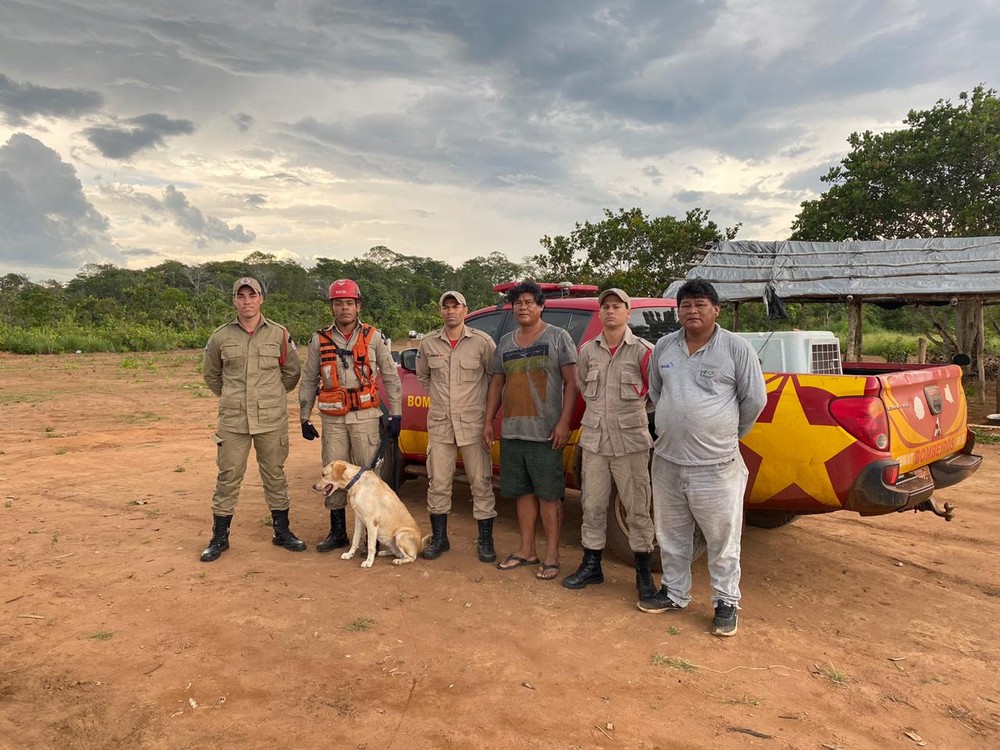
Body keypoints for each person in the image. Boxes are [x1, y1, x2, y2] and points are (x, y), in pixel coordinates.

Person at [639, 279, 766, 637]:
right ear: (677, 311)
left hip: (716, 465)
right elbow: (657, 392)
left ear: (716, 309)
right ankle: (674, 593)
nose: (692, 311)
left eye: (700, 304)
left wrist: (726, 435)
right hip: (667, 460)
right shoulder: (665, 346)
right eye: (686, 305)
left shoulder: (736, 349)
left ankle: (726, 602)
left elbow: (754, 400)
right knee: (671, 534)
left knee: (722, 538)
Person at [562, 289, 657, 603]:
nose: (611, 312)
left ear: (628, 313)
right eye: (605, 307)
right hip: (595, 442)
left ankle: (643, 574)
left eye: (617, 307)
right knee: (592, 506)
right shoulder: (588, 351)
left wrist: (630, 418)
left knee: (638, 510)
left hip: (630, 443)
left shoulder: (644, 352)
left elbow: (657, 397)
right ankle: (592, 565)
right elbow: (583, 386)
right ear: (599, 314)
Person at [200, 277, 304, 562]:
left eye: (252, 295)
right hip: (233, 421)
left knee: (275, 474)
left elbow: (291, 373)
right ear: (234, 300)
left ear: (261, 299)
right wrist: (233, 396)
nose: (247, 301)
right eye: (241, 296)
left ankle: (281, 531)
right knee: (228, 476)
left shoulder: (279, 335)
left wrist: (270, 396)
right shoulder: (220, 337)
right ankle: (219, 537)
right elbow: (211, 375)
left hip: (271, 419)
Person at [298, 278, 403, 552]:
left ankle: (372, 536)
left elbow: (390, 377)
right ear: (332, 307)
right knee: (332, 473)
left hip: (366, 417)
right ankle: (337, 532)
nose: (344, 308)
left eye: (349, 303)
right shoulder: (318, 340)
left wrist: (396, 414)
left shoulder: (374, 337)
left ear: (358, 306)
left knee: (370, 476)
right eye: (338, 303)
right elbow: (309, 379)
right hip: (333, 421)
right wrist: (304, 416)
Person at [484, 281, 578, 580]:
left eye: (529, 302)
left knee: (549, 496)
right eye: (518, 303)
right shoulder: (507, 343)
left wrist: (564, 423)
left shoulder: (558, 337)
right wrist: (488, 420)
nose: (523, 307)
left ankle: (551, 555)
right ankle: (527, 550)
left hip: (546, 433)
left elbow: (572, 383)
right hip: (513, 432)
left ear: (541, 306)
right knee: (522, 493)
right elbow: (497, 383)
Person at [416, 291, 498, 562]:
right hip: (440, 426)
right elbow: (424, 378)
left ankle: (485, 540)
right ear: (440, 311)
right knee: (438, 482)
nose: (451, 311)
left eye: (456, 306)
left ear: (465, 310)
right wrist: (443, 402)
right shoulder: (428, 344)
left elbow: (494, 379)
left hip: (473, 425)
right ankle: (440, 539)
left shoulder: (482, 343)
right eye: (446, 307)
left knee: (480, 483)